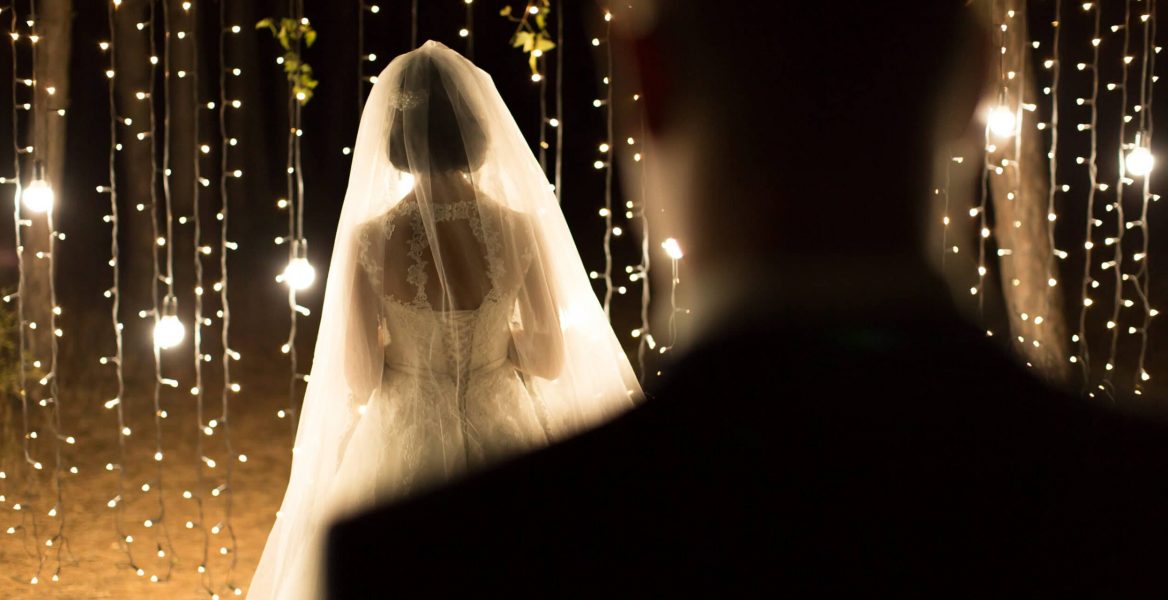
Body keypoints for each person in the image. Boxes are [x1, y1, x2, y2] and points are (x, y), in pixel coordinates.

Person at [324, 2, 1168, 596]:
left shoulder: (414, 555)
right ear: (981, 81)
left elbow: (359, 381)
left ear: (649, 78)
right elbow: (544, 355)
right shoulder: (1131, 500)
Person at [248, 41, 640, 600]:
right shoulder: (521, 227)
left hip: (404, 437)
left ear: (395, 137)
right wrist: (491, 342)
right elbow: (551, 361)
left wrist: (409, 345)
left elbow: (359, 378)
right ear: (477, 132)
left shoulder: (369, 239)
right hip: (503, 430)